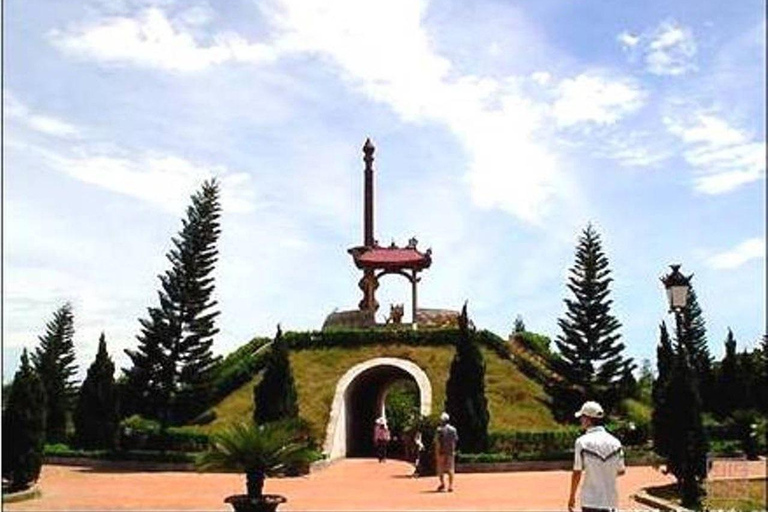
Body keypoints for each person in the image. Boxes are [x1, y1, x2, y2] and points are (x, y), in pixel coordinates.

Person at [568, 401, 626, 512]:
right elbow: (621, 470)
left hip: (590, 500)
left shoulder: (582, 442)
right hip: (611, 500)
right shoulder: (616, 442)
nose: (580, 420)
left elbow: (577, 472)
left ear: (587, 419)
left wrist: (572, 497)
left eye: (582, 417)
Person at [434, 412, 458, 492]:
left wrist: (436, 452)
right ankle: (450, 486)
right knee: (451, 469)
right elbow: (455, 441)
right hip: (450, 452)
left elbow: (437, 442)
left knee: (441, 469)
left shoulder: (439, 430)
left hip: (442, 452)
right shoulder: (453, 430)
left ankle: (442, 484)